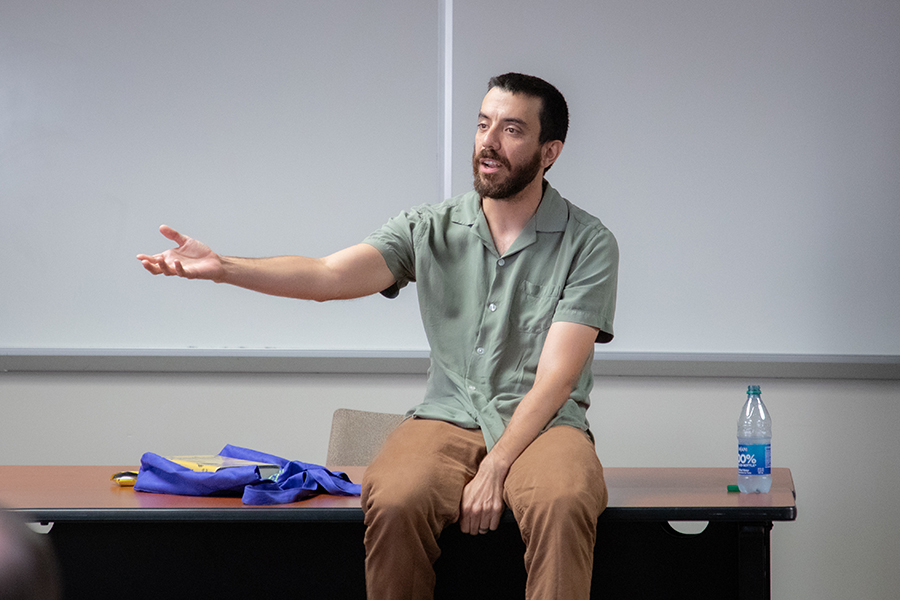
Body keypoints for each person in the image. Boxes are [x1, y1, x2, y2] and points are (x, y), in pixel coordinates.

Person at [137, 72, 618, 599]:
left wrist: (497, 465)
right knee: (393, 498)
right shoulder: (428, 227)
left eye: (511, 130)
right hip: (447, 417)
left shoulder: (588, 242)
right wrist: (223, 266)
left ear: (549, 151)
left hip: (545, 425)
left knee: (565, 500)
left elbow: (556, 377)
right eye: (483, 125)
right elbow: (327, 276)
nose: (488, 142)